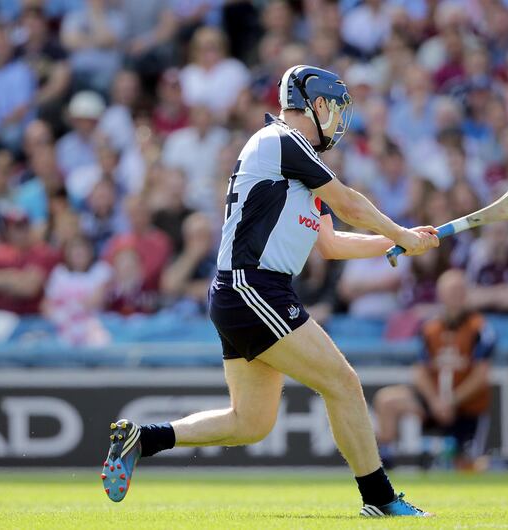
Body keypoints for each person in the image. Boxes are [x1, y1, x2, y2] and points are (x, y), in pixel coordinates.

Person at [101, 65, 438, 517]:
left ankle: (144, 438)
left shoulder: (301, 168)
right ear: (315, 106)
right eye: (335, 110)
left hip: (245, 292)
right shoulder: (282, 141)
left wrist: (397, 240)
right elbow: (349, 203)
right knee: (343, 382)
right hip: (253, 287)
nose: (339, 121)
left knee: (250, 423)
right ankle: (379, 499)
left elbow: (332, 244)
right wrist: (400, 232)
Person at [373, 269, 495, 470]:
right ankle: (385, 462)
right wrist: (435, 401)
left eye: (459, 291)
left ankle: (469, 459)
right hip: (434, 401)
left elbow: (481, 375)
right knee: (387, 400)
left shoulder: (480, 328)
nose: (454, 297)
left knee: (470, 467)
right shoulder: (431, 328)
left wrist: (451, 401)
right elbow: (420, 371)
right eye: (450, 292)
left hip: (466, 406)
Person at [0, 210, 60, 315]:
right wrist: (16, 277)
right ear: (8, 231)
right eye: (16, 228)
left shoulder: (42, 252)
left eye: (24, 227)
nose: (21, 233)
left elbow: (29, 289)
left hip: (29, 316)